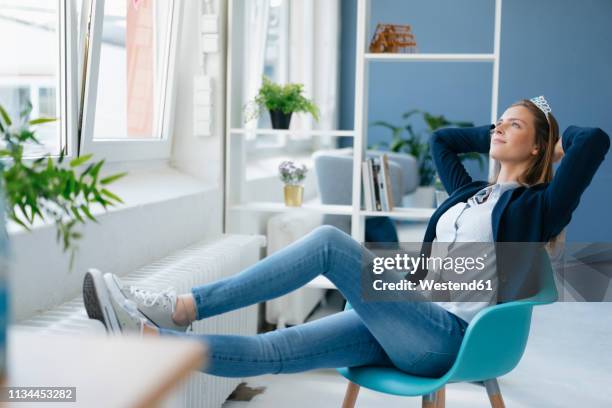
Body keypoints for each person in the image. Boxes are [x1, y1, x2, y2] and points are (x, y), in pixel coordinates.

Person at [82, 96, 610, 378]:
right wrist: (503, 133)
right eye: (496, 122)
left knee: (332, 244)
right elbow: (442, 140)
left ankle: (180, 306)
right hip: (408, 304)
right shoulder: (468, 192)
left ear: (540, 148)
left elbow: (596, 141)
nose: (496, 128)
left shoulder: (537, 208)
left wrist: (554, 141)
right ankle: (149, 343)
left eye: (512, 126)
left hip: (448, 335)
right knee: (274, 350)